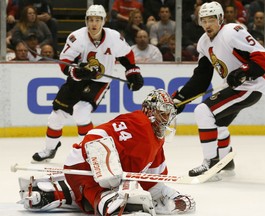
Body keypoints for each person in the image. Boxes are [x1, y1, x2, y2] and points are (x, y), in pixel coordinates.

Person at [18, 89, 196, 215]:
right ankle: (120, 208)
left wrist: (171, 196)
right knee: (117, 196)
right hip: (84, 165)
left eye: (169, 115)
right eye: (163, 113)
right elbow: (95, 135)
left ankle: (52, 192)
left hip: (92, 178)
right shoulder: (138, 122)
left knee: (119, 190)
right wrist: (104, 164)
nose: (167, 119)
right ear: (150, 112)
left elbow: (152, 182)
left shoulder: (157, 140)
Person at [32, 5, 144, 162]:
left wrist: (133, 72)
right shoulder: (76, 37)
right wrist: (77, 72)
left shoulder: (114, 37)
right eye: (90, 20)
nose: (94, 24)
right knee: (56, 116)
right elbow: (65, 62)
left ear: (103, 21)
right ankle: (50, 149)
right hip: (77, 80)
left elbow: (127, 55)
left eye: (97, 20)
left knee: (81, 112)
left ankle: (89, 151)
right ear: (86, 21)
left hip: (100, 82)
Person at [172, 2, 265, 177]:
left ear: (220, 19)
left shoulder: (232, 31)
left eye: (211, 20)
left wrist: (243, 72)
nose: (207, 25)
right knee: (217, 122)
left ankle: (210, 162)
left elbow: (262, 58)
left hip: (251, 85)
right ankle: (226, 159)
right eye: (204, 20)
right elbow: (202, 77)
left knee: (203, 111)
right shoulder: (203, 43)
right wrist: (181, 97)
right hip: (236, 86)